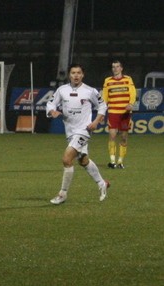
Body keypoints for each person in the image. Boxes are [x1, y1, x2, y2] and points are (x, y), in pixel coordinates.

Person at [46, 63, 109, 205]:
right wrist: (52, 111)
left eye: (79, 73)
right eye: (73, 73)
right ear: (69, 75)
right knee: (83, 161)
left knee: (67, 159)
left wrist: (96, 122)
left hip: (84, 130)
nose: (76, 75)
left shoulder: (90, 91)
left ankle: (62, 194)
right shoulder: (62, 90)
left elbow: (102, 105)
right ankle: (102, 183)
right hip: (70, 131)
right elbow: (50, 103)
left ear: (83, 75)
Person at [102, 59, 136, 169]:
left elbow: (132, 93)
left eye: (117, 66)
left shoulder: (128, 79)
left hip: (125, 113)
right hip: (113, 112)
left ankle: (120, 162)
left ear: (121, 68)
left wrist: (131, 104)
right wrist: (102, 112)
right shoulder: (107, 81)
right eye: (113, 67)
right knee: (112, 135)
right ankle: (112, 161)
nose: (115, 69)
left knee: (124, 137)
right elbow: (105, 97)